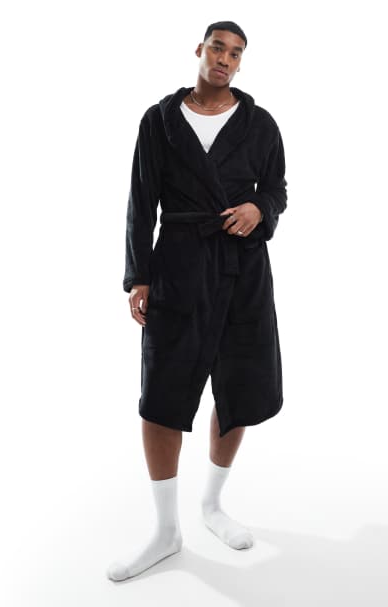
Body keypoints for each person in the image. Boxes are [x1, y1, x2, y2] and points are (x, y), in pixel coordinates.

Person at [107, 20, 288, 582]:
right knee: (162, 391)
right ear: (200, 50)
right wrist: (139, 276)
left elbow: (276, 189)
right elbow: (141, 200)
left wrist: (260, 209)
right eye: (217, 48)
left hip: (243, 268)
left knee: (238, 385)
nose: (225, 59)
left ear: (241, 62)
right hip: (179, 265)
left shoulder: (260, 124)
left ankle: (212, 505)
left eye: (236, 53)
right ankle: (166, 530)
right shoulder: (160, 120)